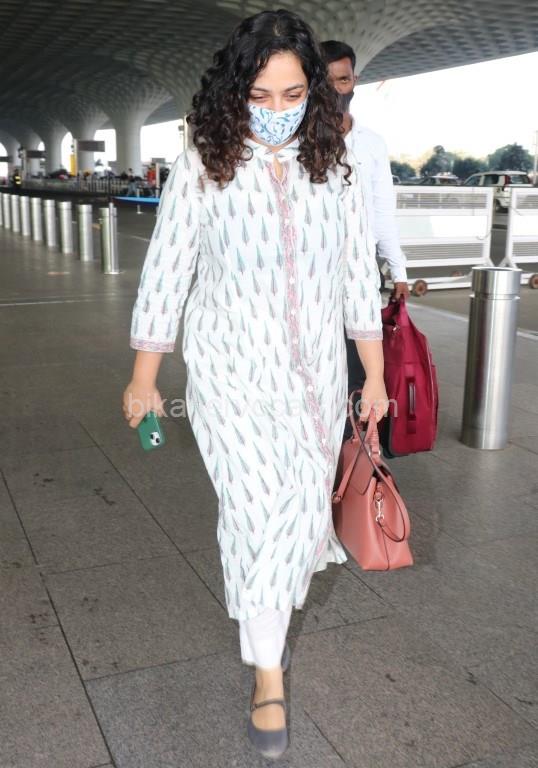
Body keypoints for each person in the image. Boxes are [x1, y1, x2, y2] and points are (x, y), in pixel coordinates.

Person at [122, 9, 387, 760]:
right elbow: (167, 271)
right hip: (230, 374)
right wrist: (144, 377)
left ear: (315, 92)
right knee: (253, 513)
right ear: (235, 92)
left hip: (315, 382)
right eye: (260, 96)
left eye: (293, 94)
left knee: (297, 519)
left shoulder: (334, 169)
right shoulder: (204, 165)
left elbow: (355, 277)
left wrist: (373, 374)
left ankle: (267, 625)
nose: (277, 111)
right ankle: (268, 673)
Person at [320, 40, 409, 439]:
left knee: (358, 365)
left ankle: (351, 449)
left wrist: (398, 269)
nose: (336, 89)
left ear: (354, 80)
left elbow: (382, 210)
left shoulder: (371, 143)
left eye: (342, 80)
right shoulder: (297, 142)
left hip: (359, 267)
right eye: (326, 81)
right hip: (311, 269)